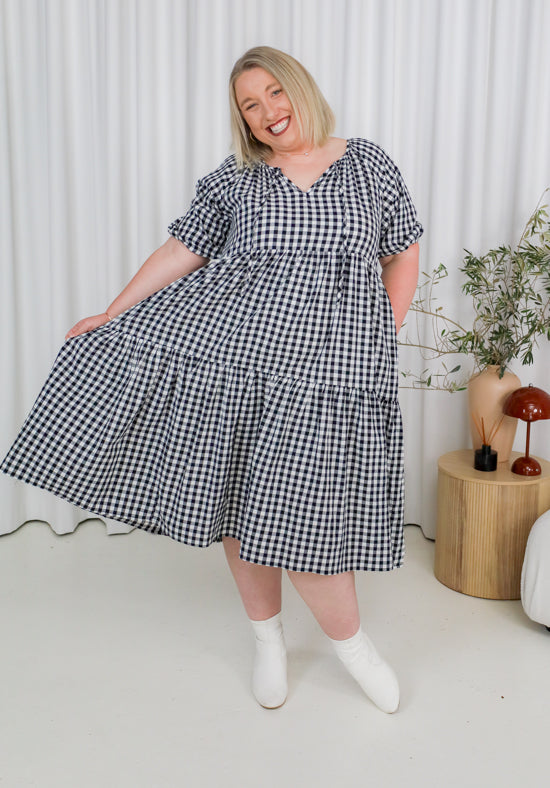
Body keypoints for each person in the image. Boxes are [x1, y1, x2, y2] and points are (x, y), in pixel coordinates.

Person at [1, 46, 422, 713]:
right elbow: (183, 249)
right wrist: (114, 311)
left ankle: (352, 644)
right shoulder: (239, 177)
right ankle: (267, 641)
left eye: (274, 94)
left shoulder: (368, 164)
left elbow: (402, 250)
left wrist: (380, 333)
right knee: (238, 504)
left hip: (329, 374)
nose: (267, 113)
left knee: (307, 517)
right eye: (250, 106)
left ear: (299, 89)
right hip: (237, 361)